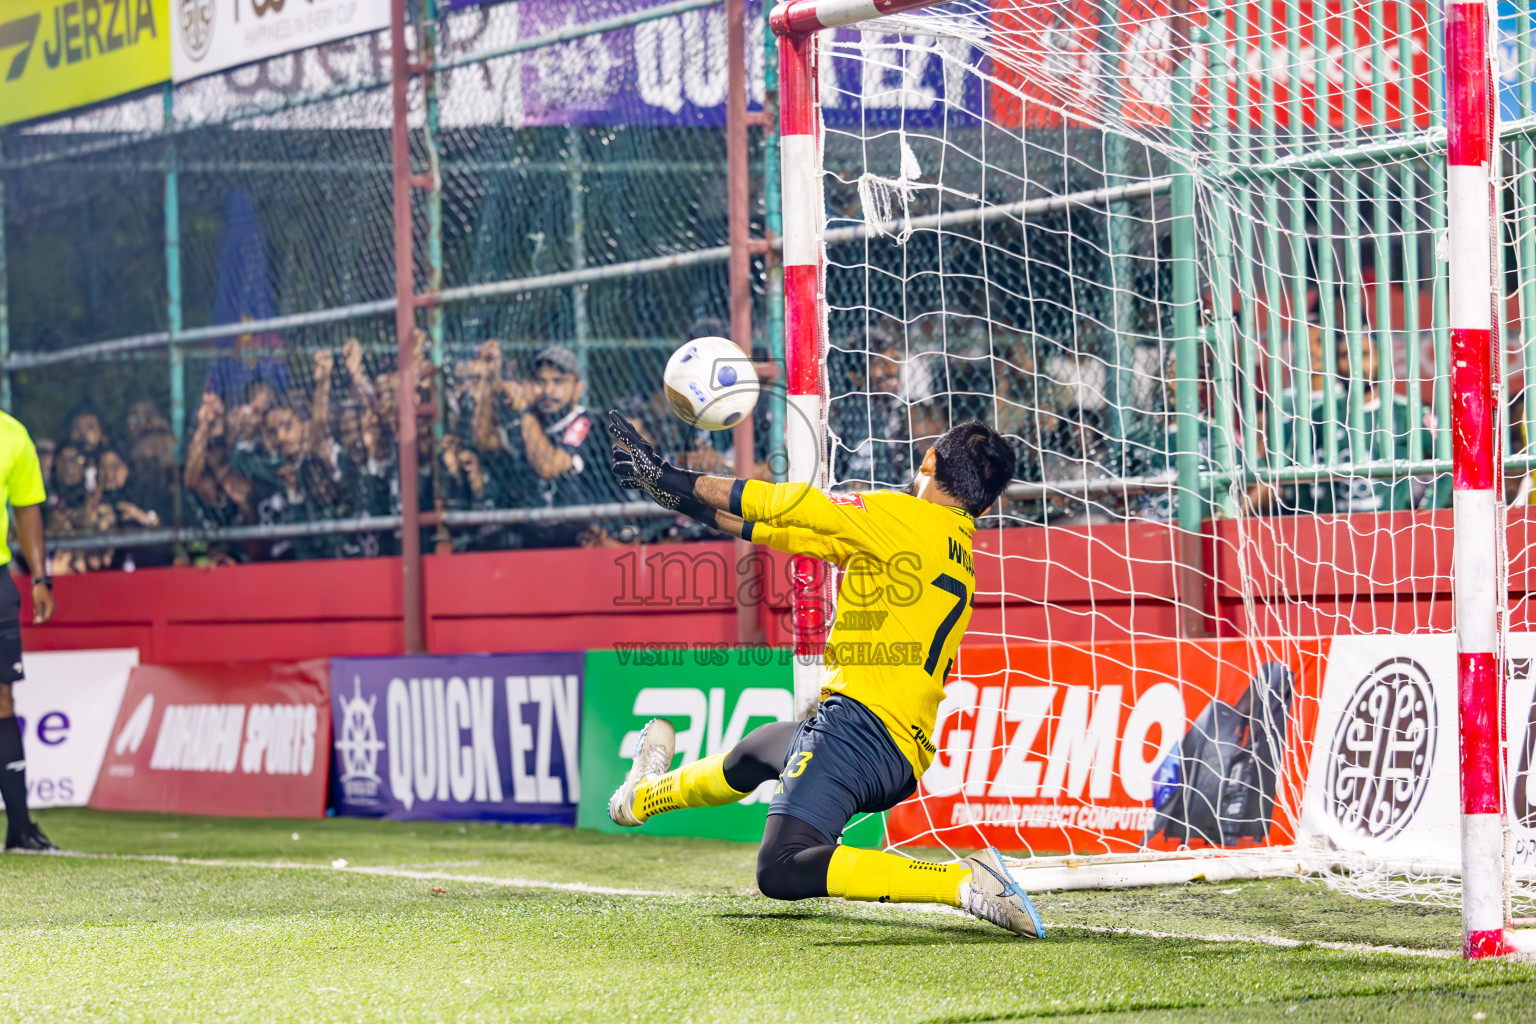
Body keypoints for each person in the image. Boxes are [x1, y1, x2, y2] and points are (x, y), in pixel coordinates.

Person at [603, 410, 1043, 938]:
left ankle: (957, 881)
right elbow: (799, 534)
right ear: (986, 503)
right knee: (757, 753)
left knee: (781, 867)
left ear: (928, 460)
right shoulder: (953, 547)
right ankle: (642, 796)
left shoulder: (903, 515)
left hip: (860, 731)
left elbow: (799, 505)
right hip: (898, 752)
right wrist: (693, 506)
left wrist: (673, 476)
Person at [473, 343, 624, 547]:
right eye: (541, 382)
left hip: (588, 535)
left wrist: (524, 409)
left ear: (578, 389)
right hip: (539, 537)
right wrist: (489, 381)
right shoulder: (533, 422)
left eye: (558, 382)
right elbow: (483, 440)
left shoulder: (586, 421)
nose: (548, 391)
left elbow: (548, 466)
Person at [0, 410, 57, 850]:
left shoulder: (13, 434)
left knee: (2, 697)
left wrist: (40, 577)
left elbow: (26, 506)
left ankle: (20, 829)